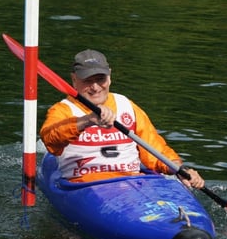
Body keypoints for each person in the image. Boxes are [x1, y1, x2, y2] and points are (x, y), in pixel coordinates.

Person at [39, 49, 205, 190]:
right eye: (87, 81)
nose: (95, 87)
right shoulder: (63, 110)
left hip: (132, 183)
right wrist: (87, 120)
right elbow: (50, 139)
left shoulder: (126, 105)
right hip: (86, 186)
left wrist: (179, 169)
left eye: (100, 79)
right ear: (74, 80)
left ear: (109, 77)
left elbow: (154, 149)